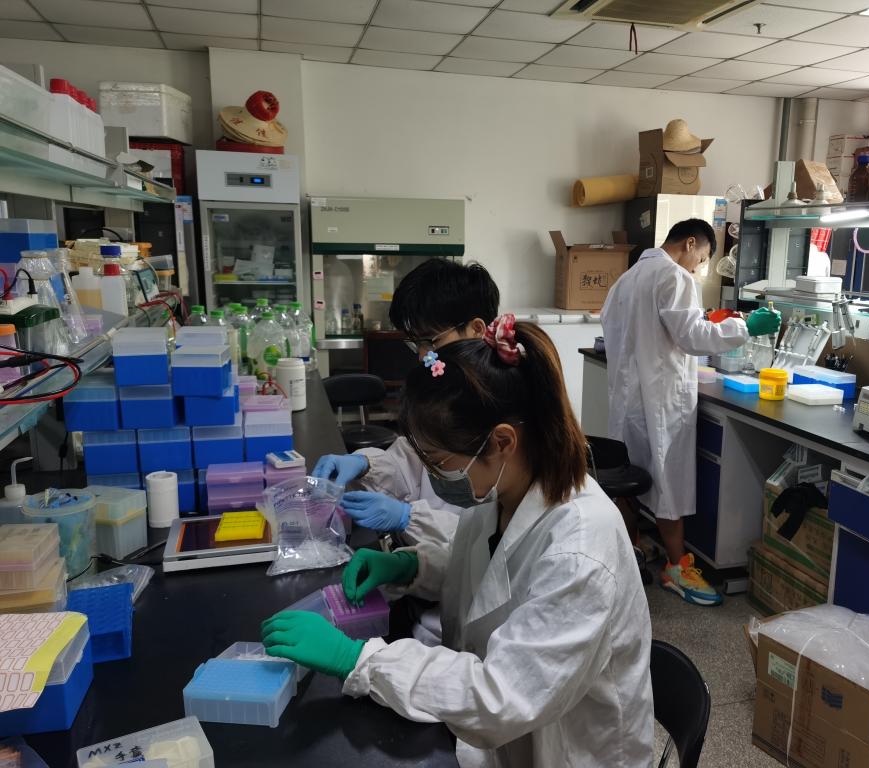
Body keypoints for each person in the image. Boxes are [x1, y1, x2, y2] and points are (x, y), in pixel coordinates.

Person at [263, 316, 653, 768]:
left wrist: (358, 659)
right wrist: (415, 566)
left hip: (567, 751)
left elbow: (501, 697)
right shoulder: (507, 489)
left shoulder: (581, 549)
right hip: (508, 739)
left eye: (437, 460)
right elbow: (498, 575)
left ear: (502, 442)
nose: (432, 474)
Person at [602, 218, 780, 607]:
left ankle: (630, 550)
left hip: (629, 402)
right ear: (689, 244)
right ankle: (676, 568)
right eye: (701, 259)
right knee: (669, 486)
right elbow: (693, 337)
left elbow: (655, 329)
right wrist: (747, 327)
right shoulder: (674, 276)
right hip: (660, 402)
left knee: (628, 480)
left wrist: (708, 323)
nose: (697, 268)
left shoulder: (626, 280)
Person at [313, 258, 500, 553]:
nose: (422, 355)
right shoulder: (445, 390)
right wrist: (366, 465)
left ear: (477, 329)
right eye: (416, 343)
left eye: (430, 341)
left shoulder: (503, 406)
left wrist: (408, 518)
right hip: (427, 563)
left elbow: (487, 541)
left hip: (457, 568)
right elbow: (413, 460)